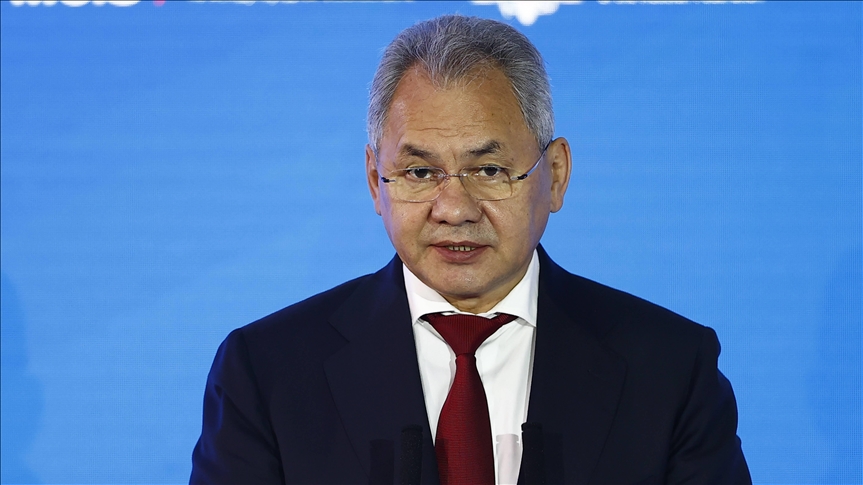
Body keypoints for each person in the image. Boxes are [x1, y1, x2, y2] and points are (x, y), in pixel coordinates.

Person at [190, 15, 751, 485]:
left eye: (488, 170)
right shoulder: (268, 374)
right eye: (419, 172)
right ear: (375, 183)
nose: (454, 208)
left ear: (555, 176)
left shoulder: (670, 370)